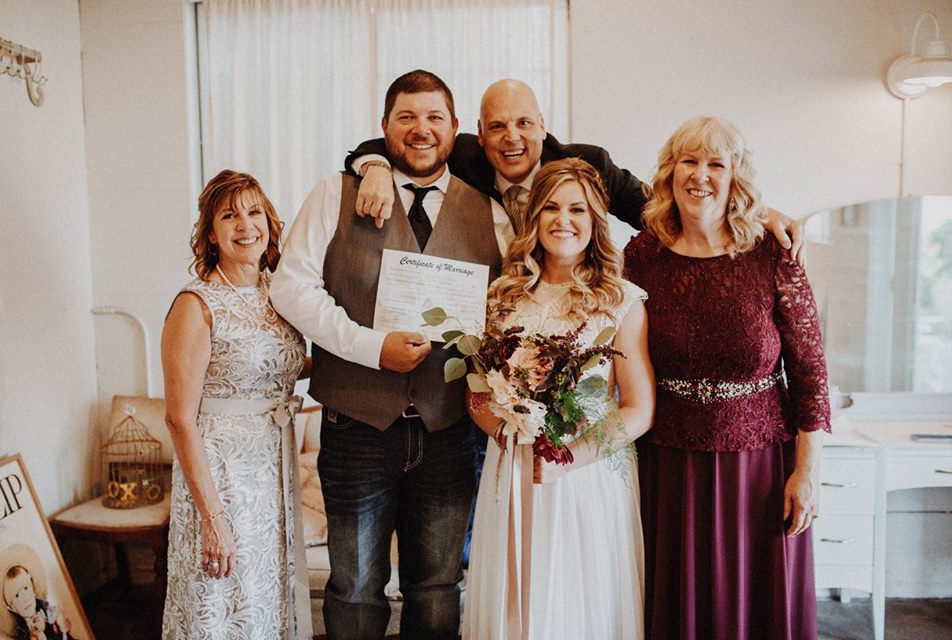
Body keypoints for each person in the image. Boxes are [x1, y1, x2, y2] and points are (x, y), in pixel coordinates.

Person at [269, 70, 513, 640]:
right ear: (384, 127)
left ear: (456, 129)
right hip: (356, 429)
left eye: (434, 118)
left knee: (439, 588)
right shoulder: (334, 193)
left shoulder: (492, 213)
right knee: (354, 589)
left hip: (451, 433)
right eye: (406, 117)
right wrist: (371, 347)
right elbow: (290, 287)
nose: (420, 129)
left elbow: (509, 310)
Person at [622, 116, 831, 640]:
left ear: (735, 176)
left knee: (754, 605)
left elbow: (810, 372)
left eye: (716, 164)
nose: (701, 175)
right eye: (689, 161)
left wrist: (807, 472)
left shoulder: (773, 253)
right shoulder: (641, 256)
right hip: (667, 465)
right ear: (670, 172)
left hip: (760, 469)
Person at [464, 158, 656, 639]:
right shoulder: (501, 297)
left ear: (595, 220)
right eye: (550, 207)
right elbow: (476, 395)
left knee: (578, 602)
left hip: (587, 475)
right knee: (516, 600)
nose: (562, 220)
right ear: (534, 217)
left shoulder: (621, 301)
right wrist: (512, 433)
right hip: (512, 468)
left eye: (577, 209)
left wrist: (567, 459)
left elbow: (639, 410)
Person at [345, 78, 803, 261]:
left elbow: (661, 208)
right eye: (498, 127)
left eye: (525, 124)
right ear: (479, 134)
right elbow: (393, 143)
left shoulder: (589, 164)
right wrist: (376, 169)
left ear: (543, 126)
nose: (512, 138)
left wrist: (754, 212)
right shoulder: (463, 156)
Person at [161, 170, 313, 640]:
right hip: (221, 475)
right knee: (221, 599)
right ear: (211, 233)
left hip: (273, 469)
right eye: (229, 216)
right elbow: (179, 418)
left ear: (268, 221)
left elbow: (278, 366)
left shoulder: (279, 291)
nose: (245, 225)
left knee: (266, 597)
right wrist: (213, 517)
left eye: (253, 212)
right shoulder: (196, 304)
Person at [0, 545, 74, 640]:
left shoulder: (45, 610)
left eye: (26, 588)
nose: (25, 598)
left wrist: (62, 625)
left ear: (32, 589)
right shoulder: (23, 633)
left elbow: (63, 628)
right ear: (11, 608)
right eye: (17, 595)